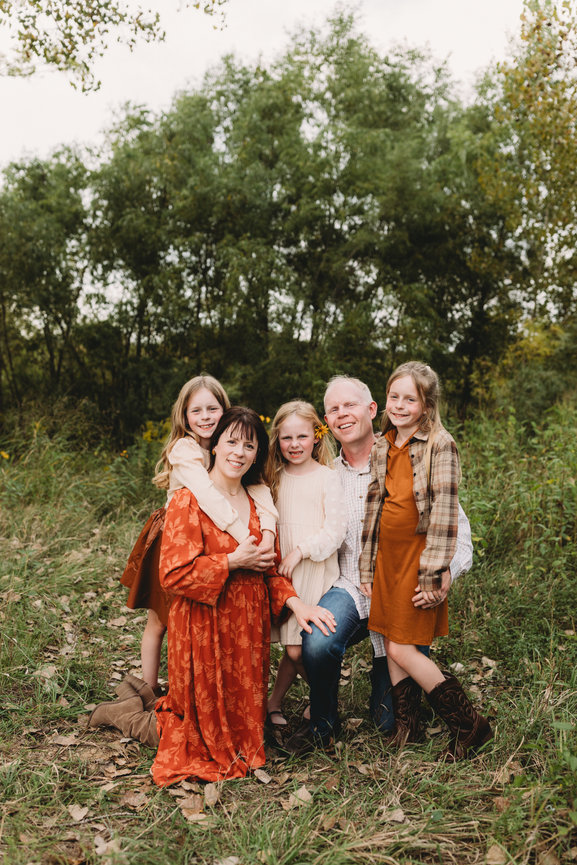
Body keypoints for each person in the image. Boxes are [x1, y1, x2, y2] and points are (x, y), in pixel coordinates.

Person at [89, 407, 337, 783]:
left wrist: (297, 604)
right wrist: (231, 561)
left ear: (257, 454)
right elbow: (172, 574)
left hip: (247, 634)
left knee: (243, 736)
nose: (239, 452)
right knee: (193, 737)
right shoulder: (188, 501)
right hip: (202, 629)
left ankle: (142, 700)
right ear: (216, 445)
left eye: (249, 445)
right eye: (232, 441)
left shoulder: (258, 502)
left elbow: (270, 570)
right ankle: (124, 714)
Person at [285, 374, 474, 755]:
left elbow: (457, 531)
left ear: (373, 409)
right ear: (326, 422)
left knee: (388, 720)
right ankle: (323, 723)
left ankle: (444, 714)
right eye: (333, 409)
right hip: (353, 587)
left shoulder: (408, 457)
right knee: (317, 643)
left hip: (403, 590)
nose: (342, 414)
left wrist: (445, 573)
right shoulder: (325, 475)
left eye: (350, 405)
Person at [359, 362, 492, 760]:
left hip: (417, 560)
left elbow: (445, 512)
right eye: (394, 397)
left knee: (403, 649)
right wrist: (367, 566)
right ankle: (408, 728)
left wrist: (434, 573)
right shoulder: (382, 444)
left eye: (410, 399)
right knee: (390, 639)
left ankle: (469, 725)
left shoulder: (439, 444)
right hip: (387, 559)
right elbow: (374, 509)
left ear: (427, 405)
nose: (399, 405)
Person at [118, 374, 277, 692]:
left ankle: (192, 679)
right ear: (184, 416)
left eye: (212, 409)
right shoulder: (184, 449)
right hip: (176, 537)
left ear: (224, 410)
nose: (205, 417)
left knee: (193, 612)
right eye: (196, 411)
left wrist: (269, 531)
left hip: (212, 536)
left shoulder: (232, 444)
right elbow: (207, 495)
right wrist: (244, 538)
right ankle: (149, 689)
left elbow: (258, 488)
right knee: (161, 619)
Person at [265, 401, 347, 730]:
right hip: (283, 573)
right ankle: (274, 702)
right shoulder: (273, 477)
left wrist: (301, 551)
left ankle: (324, 701)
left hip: (313, 570)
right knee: (292, 645)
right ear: (277, 440)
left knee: (298, 648)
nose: (295, 444)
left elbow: (335, 531)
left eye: (302, 436)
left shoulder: (328, 478)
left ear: (317, 436)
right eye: (287, 438)